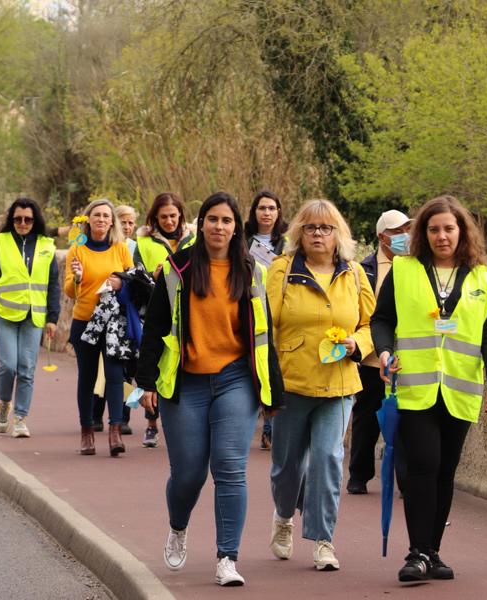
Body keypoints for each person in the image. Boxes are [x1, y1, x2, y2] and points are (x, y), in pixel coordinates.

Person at [136, 192, 284, 587]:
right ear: (200, 225)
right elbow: (154, 328)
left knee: (231, 468)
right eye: (213, 219)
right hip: (186, 382)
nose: (219, 227)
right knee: (188, 473)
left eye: (227, 221)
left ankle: (227, 558)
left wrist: (274, 393)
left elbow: (264, 333)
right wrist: (146, 382)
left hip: (236, 379)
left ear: (237, 227)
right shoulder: (176, 269)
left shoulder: (252, 271)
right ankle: (178, 526)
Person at [371, 195, 487, 582]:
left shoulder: (484, 278)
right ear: (422, 233)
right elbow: (382, 321)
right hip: (415, 386)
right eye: (433, 229)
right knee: (423, 465)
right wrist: (383, 353)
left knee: (446, 471)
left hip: (460, 389)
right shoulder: (405, 269)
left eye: (449, 228)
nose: (442, 236)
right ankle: (416, 552)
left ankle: (432, 551)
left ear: (462, 232)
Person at [266, 199, 375, 571]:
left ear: (338, 234)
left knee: (328, 459)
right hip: (292, 382)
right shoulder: (281, 271)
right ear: (299, 232)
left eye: (326, 228)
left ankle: (323, 539)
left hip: (339, 382)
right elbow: (269, 324)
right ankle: (283, 518)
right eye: (311, 227)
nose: (318, 234)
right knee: (286, 466)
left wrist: (357, 343)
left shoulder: (356, 274)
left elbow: (372, 325)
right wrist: (266, 381)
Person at [0, 199, 60, 438]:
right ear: (11, 220)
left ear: (36, 220)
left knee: (27, 368)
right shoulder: (0, 243)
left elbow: (53, 284)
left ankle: (21, 418)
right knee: (7, 366)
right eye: (18, 219)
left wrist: (53, 318)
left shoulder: (47, 245)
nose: (23, 223)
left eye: (28, 219)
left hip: (34, 315)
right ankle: (4, 403)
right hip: (6, 313)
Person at [347, 209, 412, 494]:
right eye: (397, 232)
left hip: (406, 358)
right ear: (381, 236)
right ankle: (359, 476)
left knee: (406, 422)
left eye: (406, 230)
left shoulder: (415, 267)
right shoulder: (365, 268)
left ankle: (404, 480)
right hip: (373, 359)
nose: (403, 237)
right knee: (366, 419)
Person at [65, 198, 134, 456]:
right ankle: (87, 433)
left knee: (116, 377)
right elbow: (70, 291)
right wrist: (79, 278)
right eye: (97, 216)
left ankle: (115, 431)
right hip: (84, 321)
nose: (102, 220)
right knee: (88, 377)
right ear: (88, 219)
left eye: (106, 216)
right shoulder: (77, 250)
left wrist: (121, 283)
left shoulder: (121, 248)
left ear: (112, 221)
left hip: (114, 323)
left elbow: (133, 280)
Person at [133, 192, 195, 448]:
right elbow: (135, 280)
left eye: (173, 216)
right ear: (154, 218)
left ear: (180, 214)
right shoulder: (144, 243)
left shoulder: (194, 240)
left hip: (188, 313)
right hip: (154, 312)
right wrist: (153, 277)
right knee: (155, 366)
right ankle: (151, 423)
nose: (169, 221)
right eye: (163, 217)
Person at [243, 190, 289, 450]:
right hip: (253, 304)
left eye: (272, 208)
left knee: (276, 363)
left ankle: (270, 428)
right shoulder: (243, 240)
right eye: (262, 208)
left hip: (280, 305)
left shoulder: (288, 243)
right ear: (255, 211)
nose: (267, 213)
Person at [91, 204, 140, 436]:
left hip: (127, 316)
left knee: (128, 371)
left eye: (132, 222)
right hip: (100, 315)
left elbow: (139, 277)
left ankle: (125, 415)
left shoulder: (134, 248)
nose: (128, 227)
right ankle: (96, 414)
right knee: (104, 372)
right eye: (124, 222)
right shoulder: (111, 246)